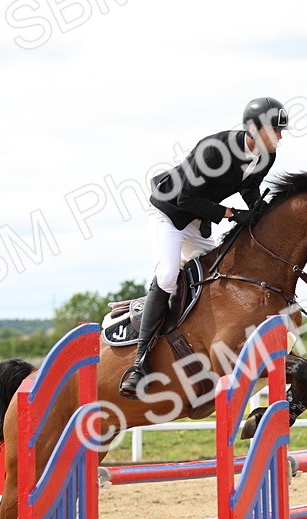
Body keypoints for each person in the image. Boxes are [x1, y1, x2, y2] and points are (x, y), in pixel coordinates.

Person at [118, 96, 289, 399]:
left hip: (198, 222)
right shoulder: (215, 151)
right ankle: (139, 364)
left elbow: (248, 188)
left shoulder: (267, 156)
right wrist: (233, 215)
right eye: (275, 130)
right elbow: (186, 199)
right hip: (169, 214)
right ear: (254, 129)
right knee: (169, 275)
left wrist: (259, 210)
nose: (280, 136)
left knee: (219, 274)